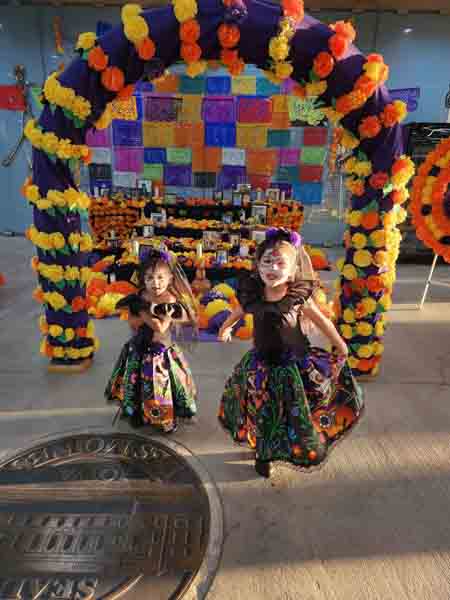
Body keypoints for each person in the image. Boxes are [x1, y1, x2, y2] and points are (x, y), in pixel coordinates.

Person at [217, 228, 364, 477]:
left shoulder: (297, 298)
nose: (272, 268)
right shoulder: (254, 294)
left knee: (292, 412)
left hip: (293, 367)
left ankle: (288, 445)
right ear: (258, 264)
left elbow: (322, 322)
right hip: (262, 366)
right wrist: (225, 328)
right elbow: (238, 313)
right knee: (263, 411)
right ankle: (264, 455)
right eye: (267, 262)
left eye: (280, 263)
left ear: (293, 270)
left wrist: (339, 344)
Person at [105, 247, 198, 433]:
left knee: (159, 386)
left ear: (170, 278)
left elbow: (160, 327)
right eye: (149, 278)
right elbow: (132, 322)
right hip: (139, 347)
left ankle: (161, 417)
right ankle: (137, 412)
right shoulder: (141, 295)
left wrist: (143, 311)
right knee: (135, 383)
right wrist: (140, 311)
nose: (155, 283)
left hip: (160, 352)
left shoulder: (170, 300)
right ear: (142, 279)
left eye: (160, 277)